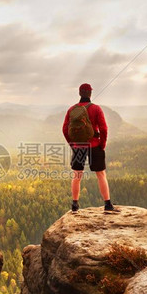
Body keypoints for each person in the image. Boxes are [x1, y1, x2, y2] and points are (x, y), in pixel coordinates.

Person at [62, 83, 119, 213]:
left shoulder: (72, 109)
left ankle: (75, 205)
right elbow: (104, 128)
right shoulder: (96, 109)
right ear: (90, 93)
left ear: (79, 93)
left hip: (78, 146)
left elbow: (65, 129)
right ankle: (107, 204)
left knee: (77, 175)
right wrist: (102, 144)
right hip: (94, 145)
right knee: (101, 174)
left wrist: (72, 144)